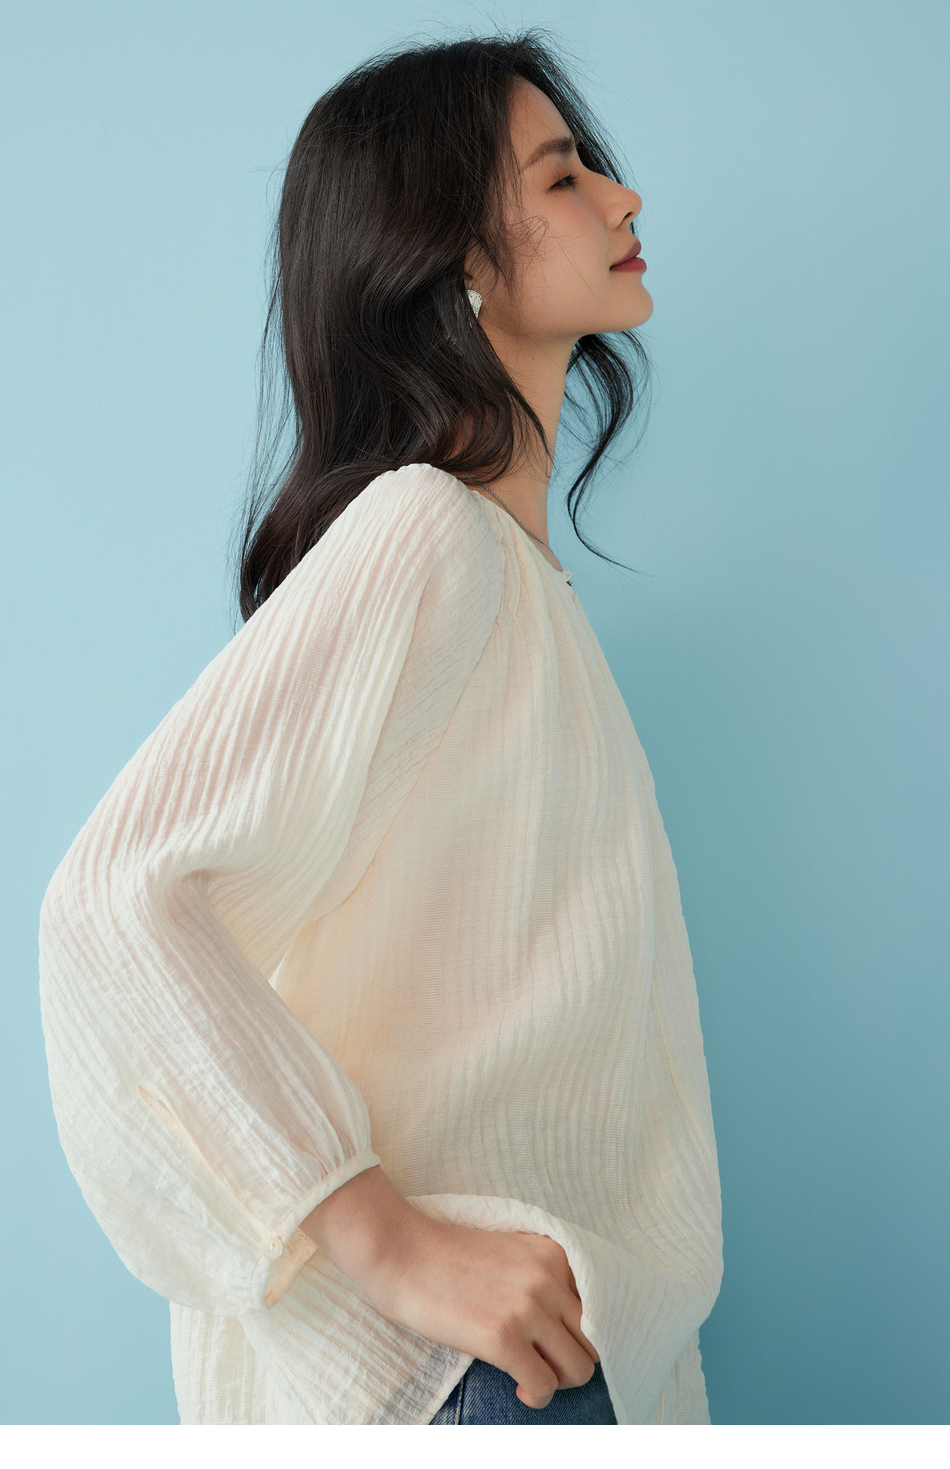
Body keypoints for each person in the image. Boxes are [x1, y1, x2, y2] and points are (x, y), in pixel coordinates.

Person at [38, 31, 723, 1426]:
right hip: (466, 1371)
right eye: (565, 176)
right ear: (454, 256)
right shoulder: (428, 535)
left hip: (552, 1347)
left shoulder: (516, 586)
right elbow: (109, 901)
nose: (623, 198)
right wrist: (384, 1239)